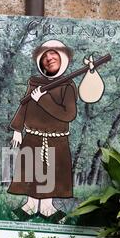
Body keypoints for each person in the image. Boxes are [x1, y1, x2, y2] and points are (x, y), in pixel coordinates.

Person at [7, 40, 78, 217]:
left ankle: (47, 208)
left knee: (52, 174)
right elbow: (24, 106)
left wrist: (43, 100)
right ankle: (30, 206)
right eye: (45, 56)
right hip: (33, 136)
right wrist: (17, 129)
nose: (49, 58)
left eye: (53, 54)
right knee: (30, 171)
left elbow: (68, 114)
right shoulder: (34, 83)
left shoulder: (67, 86)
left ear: (62, 59)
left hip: (57, 139)